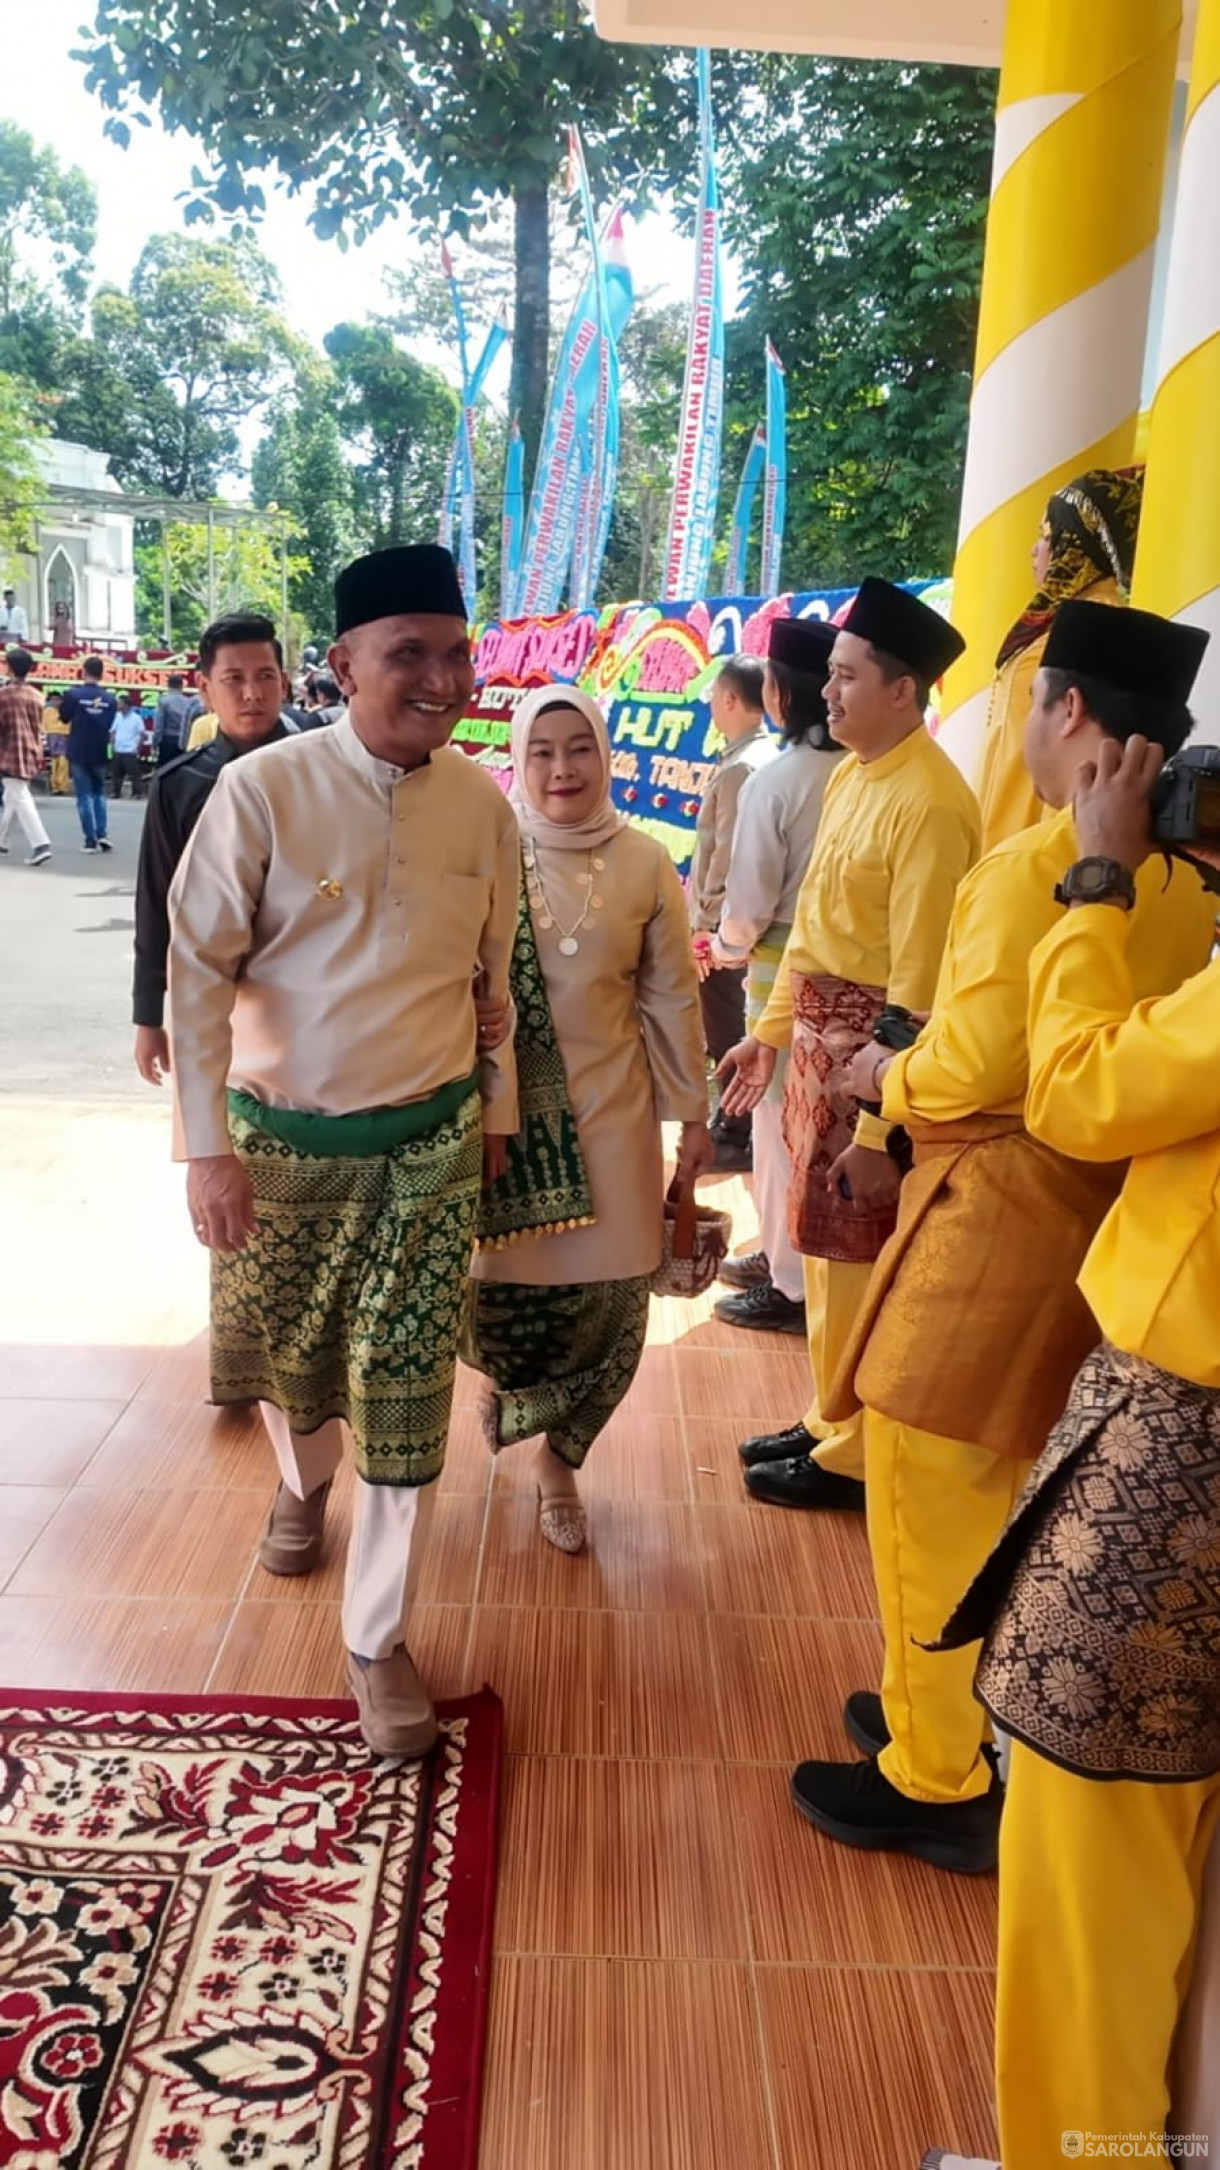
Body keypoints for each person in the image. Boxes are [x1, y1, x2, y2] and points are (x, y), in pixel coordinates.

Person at [786, 600, 1217, 1876]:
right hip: (1108, 1219)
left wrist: (886, 1078)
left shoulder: (1039, 868)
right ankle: (946, 1719)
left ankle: (934, 1770)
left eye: (1031, 696)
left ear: (1067, 710)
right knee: (1002, 1485)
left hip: (995, 1206)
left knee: (929, 1482)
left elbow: (975, 1062)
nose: (1022, 722)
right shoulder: (1192, 876)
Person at [922, 720, 1220, 2170]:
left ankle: (1080, 2154)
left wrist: (1099, 881)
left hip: (1183, 1450)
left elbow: (1078, 1089)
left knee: (1090, 1843)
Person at [166, 544, 520, 1761]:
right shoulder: (261, 791)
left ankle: (376, 1638)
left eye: (456, 653)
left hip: (427, 1146)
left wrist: (495, 1116)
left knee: (407, 1394)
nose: (442, 679)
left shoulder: (483, 806)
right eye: (408, 653)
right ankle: (302, 1478)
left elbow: (494, 984)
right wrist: (206, 1149)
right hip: (280, 1150)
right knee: (292, 1367)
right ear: (344, 664)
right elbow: (195, 976)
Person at [718, 579, 980, 1510]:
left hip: (871, 1063)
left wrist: (877, 1132)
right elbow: (816, 935)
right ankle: (829, 1415)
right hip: (817, 1048)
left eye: (846, 677)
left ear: (903, 691)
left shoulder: (932, 803)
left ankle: (860, 1451)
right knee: (824, 1256)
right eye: (827, 675)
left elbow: (919, 984)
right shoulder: (855, 775)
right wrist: (766, 1037)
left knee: (863, 1257)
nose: (825, 693)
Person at [462, 686, 712, 1553]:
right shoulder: (486, 853)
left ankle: (559, 1460)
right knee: (498, 1298)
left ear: (605, 756)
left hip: (613, 1117)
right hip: (502, 1118)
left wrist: (693, 1117)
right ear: (519, 760)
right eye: (542, 751)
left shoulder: (644, 862)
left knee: (614, 1307)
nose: (562, 769)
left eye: (579, 749)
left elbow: (673, 999)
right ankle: (511, 1388)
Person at [710, 618, 842, 1333]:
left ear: (783, 693)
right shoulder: (859, 771)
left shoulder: (777, 780)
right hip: (844, 976)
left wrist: (726, 945)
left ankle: (790, 1285)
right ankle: (786, 1253)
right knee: (816, 1126)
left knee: (777, 1125)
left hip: (777, 973)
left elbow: (750, 900)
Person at [133, 613, 299, 1088]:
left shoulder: (323, 773)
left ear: (284, 684)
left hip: (308, 996)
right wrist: (148, 1016)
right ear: (205, 689)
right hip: (213, 995)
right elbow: (156, 901)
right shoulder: (180, 785)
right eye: (233, 679)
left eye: (265, 677)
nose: (252, 693)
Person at [976, 466, 1142, 853]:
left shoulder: (1094, 626)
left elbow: (1077, 749)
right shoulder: (1066, 618)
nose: (1035, 549)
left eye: (1048, 536)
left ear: (1076, 545)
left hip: (1037, 838)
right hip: (1011, 835)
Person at [689, 655, 773, 1173]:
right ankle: (737, 1124)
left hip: (724, 928)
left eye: (715, 700)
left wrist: (706, 928)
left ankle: (737, 1131)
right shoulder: (749, 758)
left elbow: (727, 855)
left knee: (726, 1027)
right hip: (729, 925)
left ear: (730, 700)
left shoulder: (744, 767)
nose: (713, 710)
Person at [0, 647, 52, 866]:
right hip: (30, 750)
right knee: (12, 797)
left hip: (9, 752)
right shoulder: (38, 696)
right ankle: (2, 841)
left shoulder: (3, 695)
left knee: (20, 796)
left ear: (9, 668)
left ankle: (41, 844)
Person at [60, 655, 116, 853]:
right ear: (102, 674)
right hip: (100, 750)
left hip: (78, 750)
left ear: (84, 671)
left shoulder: (73, 695)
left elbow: (64, 717)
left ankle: (90, 840)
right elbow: (109, 723)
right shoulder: (110, 699)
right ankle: (102, 834)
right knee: (99, 793)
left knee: (84, 795)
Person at [154, 673, 202, 765]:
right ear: (181, 686)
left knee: (165, 769)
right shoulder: (189, 702)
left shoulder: (164, 701)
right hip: (184, 740)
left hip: (167, 740)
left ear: (168, 685)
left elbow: (159, 726)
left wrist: (155, 743)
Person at [110, 692, 146, 799]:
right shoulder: (117, 716)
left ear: (126, 705)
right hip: (118, 749)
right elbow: (113, 731)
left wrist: (137, 748)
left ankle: (137, 793)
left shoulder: (136, 718)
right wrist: (112, 745)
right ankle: (116, 792)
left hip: (130, 750)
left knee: (134, 774)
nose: (118, 705)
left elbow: (142, 734)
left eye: (120, 703)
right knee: (116, 774)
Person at [43, 690, 70, 793]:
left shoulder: (66, 710)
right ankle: (55, 786)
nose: (56, 702)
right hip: (52, 737)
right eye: (53, 700)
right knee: (54, 763)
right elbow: (43, 725)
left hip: (64, 736)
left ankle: (63, 786)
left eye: (58, 699)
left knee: (63, 762)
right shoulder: (47, 711)